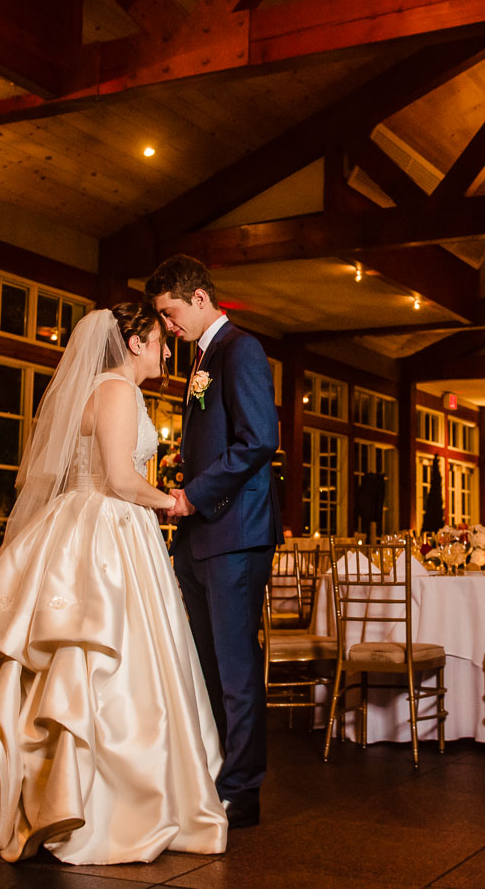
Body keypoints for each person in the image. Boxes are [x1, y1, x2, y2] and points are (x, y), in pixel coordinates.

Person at [0, 305, 227, 864]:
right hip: (109, 530)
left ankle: (48, 791)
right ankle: (107, 802)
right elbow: (117, 477)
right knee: (104, 658)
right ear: (135, 343)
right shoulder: (117, 391)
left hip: (79, 523)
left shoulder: (97, 389)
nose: (166, 352)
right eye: (161, 341)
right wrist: (173, 502)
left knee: (71, 663)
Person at [148, 255, 281, 831]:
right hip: (199, 537)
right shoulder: (201, 358)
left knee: (235, 669)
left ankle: (242, 791)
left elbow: (258, 441)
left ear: (199, 298)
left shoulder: (240, 349)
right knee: (202, 664)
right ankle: (213, 772)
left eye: (170, 313)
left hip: (235, 532)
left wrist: (193, 496)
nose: (168, 328)